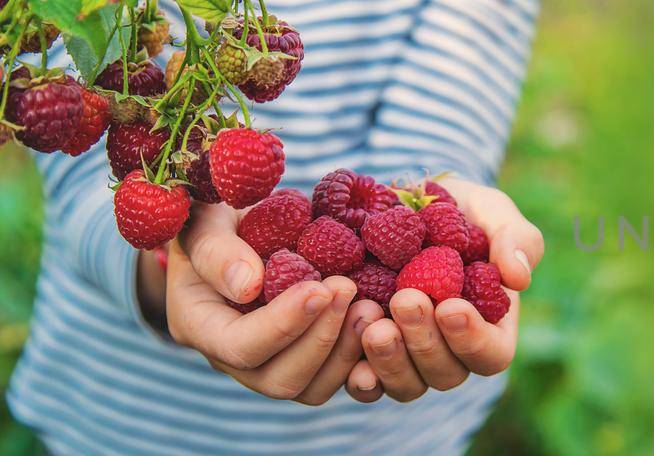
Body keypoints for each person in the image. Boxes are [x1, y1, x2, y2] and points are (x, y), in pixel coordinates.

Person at [5, 0, 545, 453]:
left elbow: (446, 104)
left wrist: (431, 201)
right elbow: (79, 123)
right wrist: (175, 259)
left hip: (387, 437)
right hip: (125, 416)